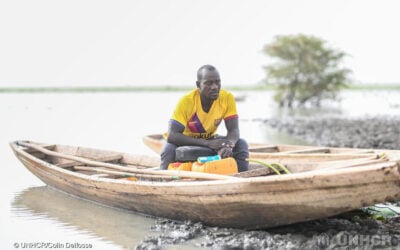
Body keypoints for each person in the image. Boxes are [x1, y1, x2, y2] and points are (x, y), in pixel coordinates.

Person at [160, 65, 249, 172]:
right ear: (198, 85)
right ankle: (165, 180)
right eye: (209, 83)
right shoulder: (186, 101)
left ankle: (241, 178)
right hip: (184, 140)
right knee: (168, 150)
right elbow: (172, 136)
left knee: (241, 144)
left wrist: (228, 146)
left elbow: (233, 130)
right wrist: (207, 144)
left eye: (217, 82)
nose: (214, 87)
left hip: (209, 138)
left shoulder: (227, 98)